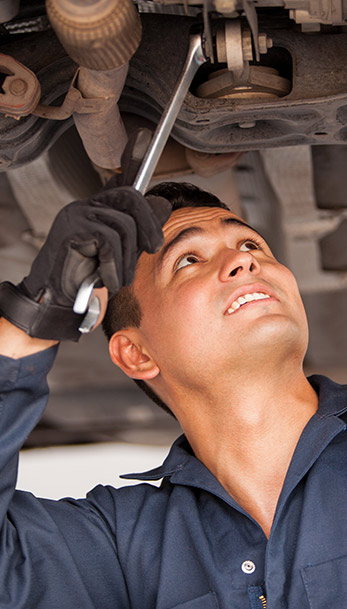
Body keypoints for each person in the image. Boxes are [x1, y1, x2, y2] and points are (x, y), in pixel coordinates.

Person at [0, 178, 346, 609]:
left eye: (253, 246)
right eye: (187, 260)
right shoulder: (122, 546)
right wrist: (32, 317)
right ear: (137, 354)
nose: (243, 261)